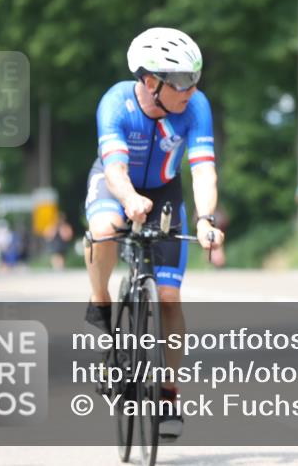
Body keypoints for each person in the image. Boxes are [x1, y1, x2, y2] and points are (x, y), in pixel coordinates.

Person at [84, 27, 226, 441]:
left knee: (168, 297)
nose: (191, 88)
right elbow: (113, 169)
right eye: (181, 80)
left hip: (164, 192)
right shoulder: (115, 103)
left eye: (195, 78)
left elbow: (202, 169)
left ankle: (168, 393)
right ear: (150, 80)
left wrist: (205, 219)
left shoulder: (196, 106)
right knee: (104, 229)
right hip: (117, 185)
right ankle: (100, 301)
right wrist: (128, 199)